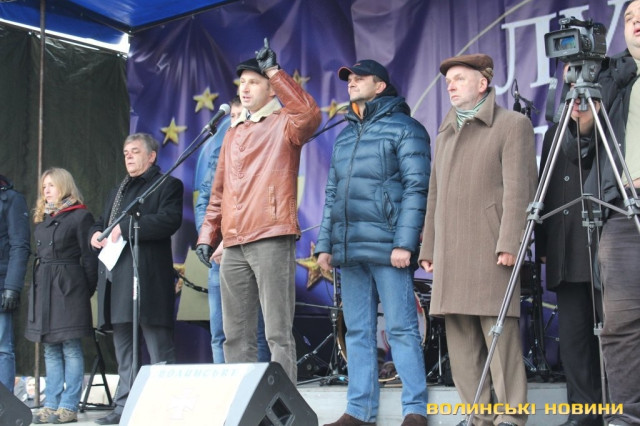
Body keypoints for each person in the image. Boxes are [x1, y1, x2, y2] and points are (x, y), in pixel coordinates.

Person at [419, 53, 536, 426]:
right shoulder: (445, 132)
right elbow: (434, 195)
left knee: (499, 337)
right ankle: (478, 417)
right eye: (448, 81)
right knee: (461, 341)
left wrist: (511, 242)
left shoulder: (512, 124)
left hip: (490, 247)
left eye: (459, 78)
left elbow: (520, 190)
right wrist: (428, 247)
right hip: (451, 252)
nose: (450, 86)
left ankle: (512, 416)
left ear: (483, 83)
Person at [195, 39, 321, 383]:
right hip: (234, 242)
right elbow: (218, 193)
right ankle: (243, 403)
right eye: (242, 82)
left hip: (271, 235)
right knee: (235, 335)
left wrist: (275, 72)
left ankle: (284, 405)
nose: (245, 88)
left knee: (277, 333)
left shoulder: (284, 122)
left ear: (270, 88)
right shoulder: (233, 132)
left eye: (254, 81)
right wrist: (208, 235)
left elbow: (310, 115)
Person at [315, 59, 430, 426]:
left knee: (401, 330)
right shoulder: (345, 134)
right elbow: (332, 194)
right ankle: (359, 411)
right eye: (349, 78)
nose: (352, 82)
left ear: (380, 86)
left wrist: (405, 243)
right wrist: (325, 244)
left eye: (360, 77)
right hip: (350, 250)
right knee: (358, 332)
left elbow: (417, 188)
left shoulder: (406, 128)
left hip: (388, 247)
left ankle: (415, 410)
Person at [563, 1, 640, 423]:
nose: (635, 21)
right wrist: (583, 116)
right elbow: (581, 147)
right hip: (623, 208)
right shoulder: (614, 77)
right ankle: (626, 417)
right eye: (628, 17)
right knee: (620, 322)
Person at [90, 133, 183, 425]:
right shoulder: (118, 190)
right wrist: (95, 233)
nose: (128, 156)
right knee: (124, 350)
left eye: (135, 151)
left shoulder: (167, 184)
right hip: (117, 280)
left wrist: (129, 225)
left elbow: (169, 220)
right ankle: (124, 408)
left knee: (159, 348)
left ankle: (166, 408)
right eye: (125, 152)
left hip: (148, 280)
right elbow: (103, 222)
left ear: (151, 156)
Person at [194, 95, 270, 364]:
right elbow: (205, 201)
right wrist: (209, 240)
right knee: (220, 333)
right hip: (219, 256)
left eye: (241, 116)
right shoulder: (219, 154)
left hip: (248, 251)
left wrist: (229, 241)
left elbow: (258, 204)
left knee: (255, 331)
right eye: (232, 117)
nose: (235, 122)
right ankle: (224, 387)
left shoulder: (261, 151)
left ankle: (258, 388)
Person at [537, 121, 602, 426]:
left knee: (615, 336)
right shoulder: (555, 131)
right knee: (574, 338)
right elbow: (545, 187)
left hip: (605, 243)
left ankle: (621, 411)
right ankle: (583, 413)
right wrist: (543, 244)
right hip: (565, 246)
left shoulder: (611, 121)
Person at [27, 167, 98, 424]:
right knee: (50, 348)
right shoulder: (43, 218)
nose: (46, 190)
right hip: (44, 286)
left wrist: (84, 289)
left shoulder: (80, 216)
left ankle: (69, 406)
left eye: (51, 185)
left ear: (64, 187)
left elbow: (90, 258)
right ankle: (51, 404)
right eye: (44, 186)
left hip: (69, 287)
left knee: (70, 347)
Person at [0, 174, 30, 393]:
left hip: (1, 282)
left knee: (2, 348)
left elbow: (20, 245)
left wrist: (12, 287)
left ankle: (3, 405)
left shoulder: (11, 199)